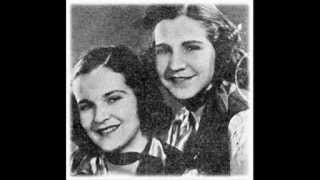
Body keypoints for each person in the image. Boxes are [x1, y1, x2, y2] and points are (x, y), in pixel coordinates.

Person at [140, 4, 249, 175]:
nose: (175, 65)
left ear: (219, 49)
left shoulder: (244, 123)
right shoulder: (182, 122)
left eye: (191, 48)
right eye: (163, 51)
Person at [70, 45, 186, 175]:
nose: (99, 117)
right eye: (86, 107)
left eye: (113, 99)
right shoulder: (74, 167)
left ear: (141, 97)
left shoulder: (184, 169)